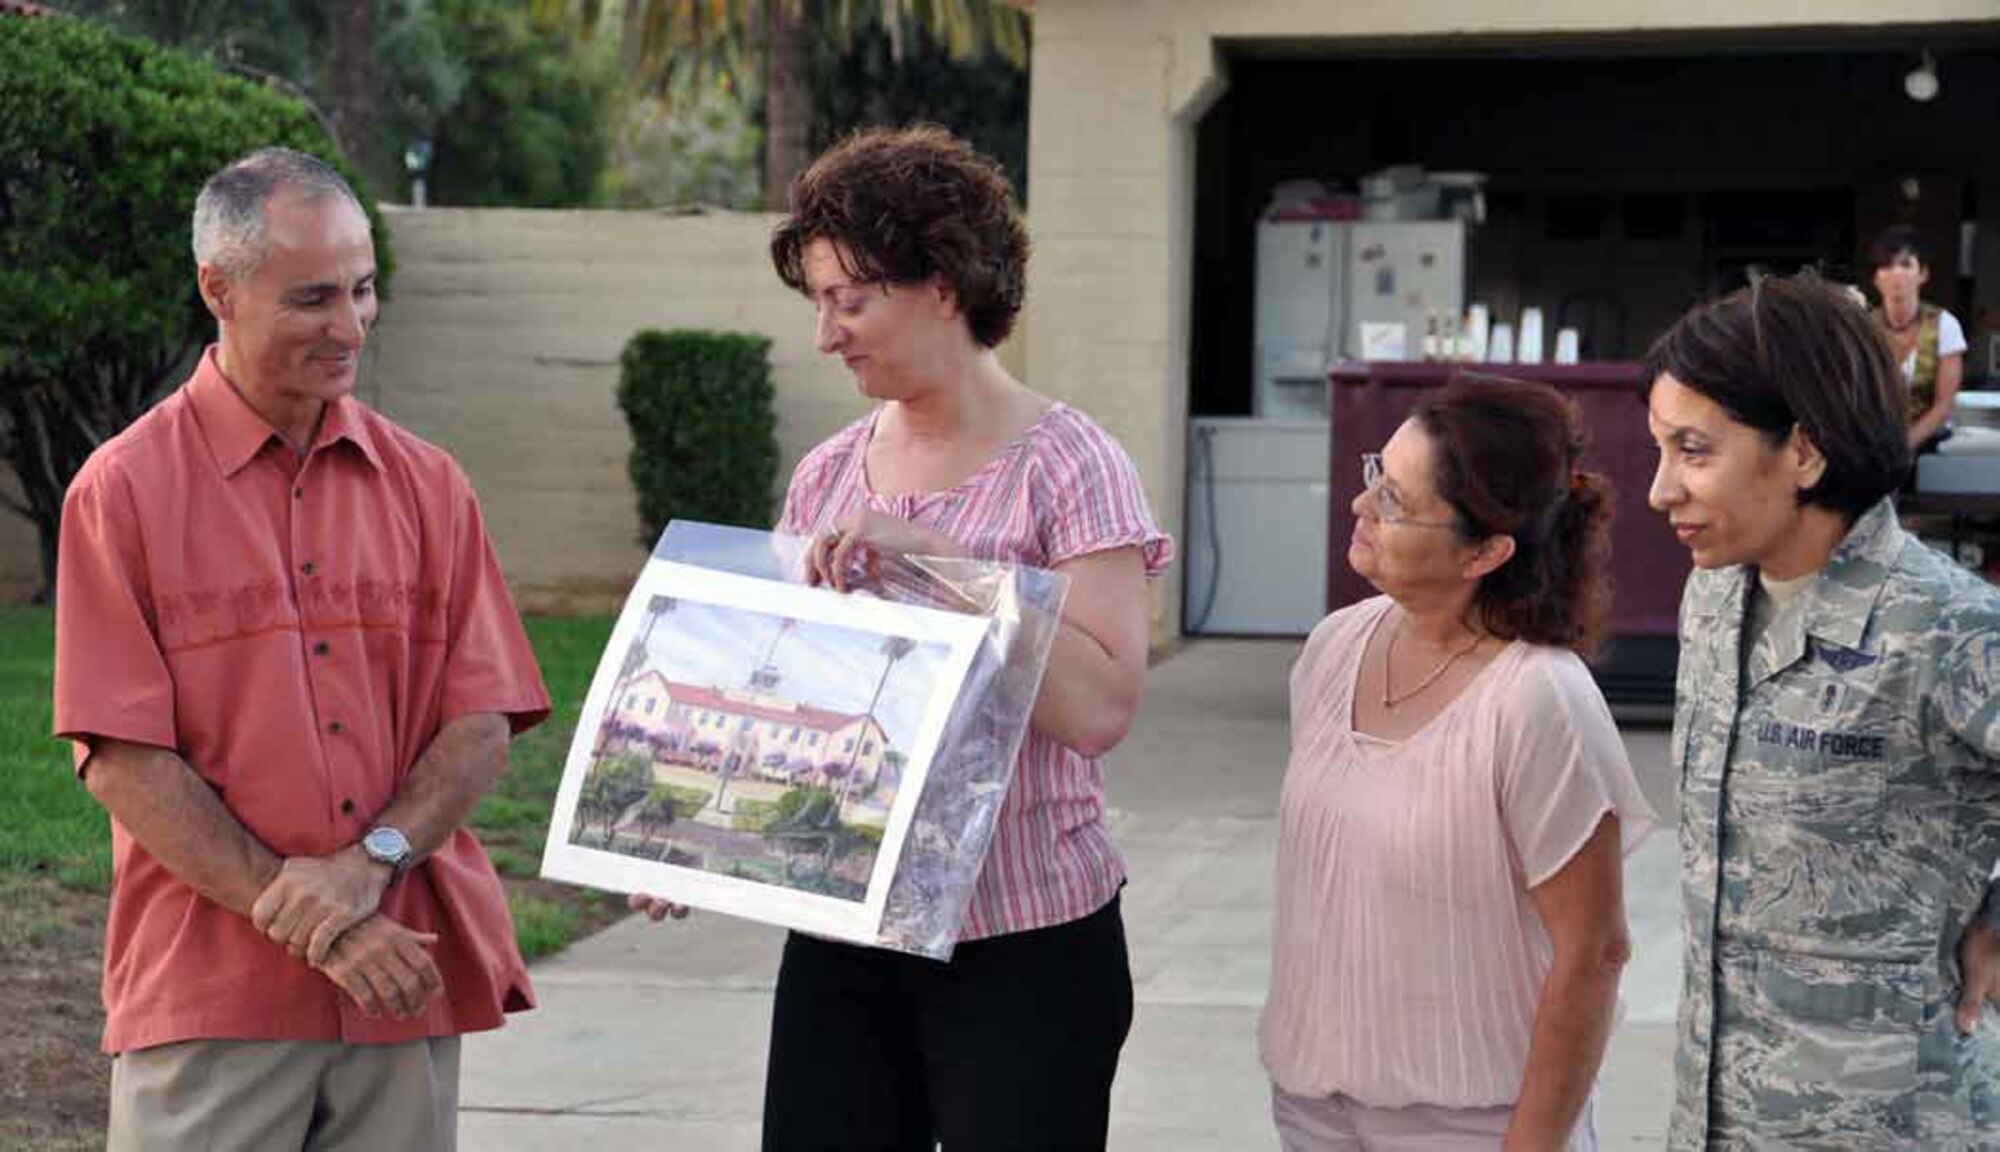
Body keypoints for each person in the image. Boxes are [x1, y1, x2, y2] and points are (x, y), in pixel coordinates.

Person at [633, 124, 1172, 1150]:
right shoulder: (828, 474)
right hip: (845, 928)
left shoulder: (1070, 466)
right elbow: (790, 700)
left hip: (1025, 943)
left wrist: (939, 564)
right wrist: (684, 827)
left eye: (851, 301)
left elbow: (1098, 710)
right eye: (819, 304)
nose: (826, 335)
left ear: (944, 284)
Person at [52, 147, 550, 1151]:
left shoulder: (430, 486)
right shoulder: (122, 492)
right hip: (212, 994)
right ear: (217, 290)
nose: (349, 325)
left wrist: (367, 869)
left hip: (399, 982)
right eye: (313, 297)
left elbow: (483, 720)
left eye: (363, 291)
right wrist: (315, 917)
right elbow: (124, 759)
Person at [1643, 273, 2000, 1148]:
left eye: (1693, 451)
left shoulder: (1940, 625)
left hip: (1888, 1120)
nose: (1661, 490)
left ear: (1804, 452)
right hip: (1718, 1111)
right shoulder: (1715, 596)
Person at [1262, 375, 1656, 1151]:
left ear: (1486, 549)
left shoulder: (1540, 699)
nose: (1361, 507)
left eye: (1397, 502)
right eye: (1376, 474)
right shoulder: (1335, 649)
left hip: (1472, 1125)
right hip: (1314, 1109)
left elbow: (1594, 952)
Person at [1867, 225, 1968, 453]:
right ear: (1876, 278)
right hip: (1873, 441)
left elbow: (1943, 406)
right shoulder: (1863, 327)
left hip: (1928, 441)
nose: (1896, 274)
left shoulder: (1945, 325)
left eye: (1905, 264)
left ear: (1923, 273)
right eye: (1887, 266)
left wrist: (1904, 445)